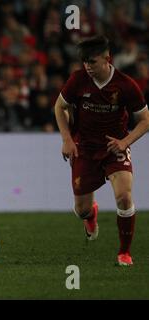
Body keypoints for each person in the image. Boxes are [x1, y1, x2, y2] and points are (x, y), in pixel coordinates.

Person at [54, 35, 149, 266]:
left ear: (108, 59)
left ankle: (124, 253)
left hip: (113, 147)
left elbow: (145, 120)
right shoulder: (78, 80)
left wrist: (125, 142)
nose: (88, 66)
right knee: (81, 210)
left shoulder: (126, 85)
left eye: (92, 62)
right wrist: (67, 139)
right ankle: (91, 216)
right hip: (84, 148)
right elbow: (59, 107)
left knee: (124, 197)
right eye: (85, 62)